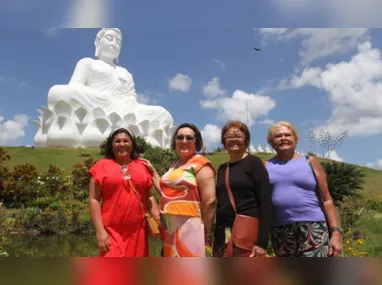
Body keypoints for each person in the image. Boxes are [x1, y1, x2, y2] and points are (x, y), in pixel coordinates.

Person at [265, 121, 343, 257]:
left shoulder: (310, 161)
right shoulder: (266, 165)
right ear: (271, 142)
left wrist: (336, 232)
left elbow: (326, 199)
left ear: (295, 139)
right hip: (280, 229)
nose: (283, 138)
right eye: (278, 136)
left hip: (313, 226)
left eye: (287, 135)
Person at [141, 123, 216, 257]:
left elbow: (209, 201)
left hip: (190, 227)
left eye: (189, 138)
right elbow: (167, 193)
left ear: (196, 142)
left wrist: (207, 233)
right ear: (174, 141)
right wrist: (153, 172)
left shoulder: (201, 164)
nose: (184, 141)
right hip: (171, 228)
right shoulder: (174, 165)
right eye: (180, 137)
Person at [88, 127, 160, 257]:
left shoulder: (142, 166)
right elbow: (93, 199)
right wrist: (100, 231)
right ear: (111, 145)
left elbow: (149, 197)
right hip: (111, 233)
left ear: (132, 144)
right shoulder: (101, 166)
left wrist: (159, 220)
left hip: (138, 234)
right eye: (117, 141)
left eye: (126, 141)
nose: (122, 144)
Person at [213, 120, 273, 257]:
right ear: (224, 142)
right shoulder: (223, 169)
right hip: (224, 232)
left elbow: (265, 202)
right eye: (230, 137)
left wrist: (262, 241)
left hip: (246, 231)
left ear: (246, 140)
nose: (234, 140)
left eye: (238, 137)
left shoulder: (254, 163)